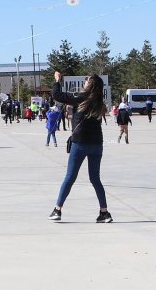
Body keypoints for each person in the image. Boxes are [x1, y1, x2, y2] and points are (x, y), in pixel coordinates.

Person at [47, 71, 112, 223]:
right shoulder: (99, 103)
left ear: (90, 85)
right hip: (97, 144)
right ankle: (104, 213)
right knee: (95, 179)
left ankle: (57, 210)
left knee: (70, 177)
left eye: (86, 80)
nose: (84, 82)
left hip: (80, 143)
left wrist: (57, 80)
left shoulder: (80, 98)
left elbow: (56, 95)